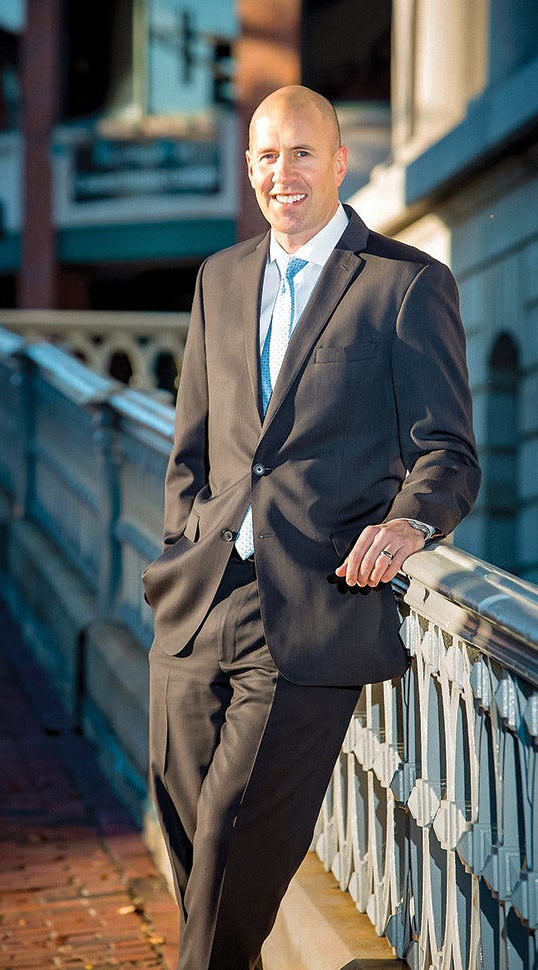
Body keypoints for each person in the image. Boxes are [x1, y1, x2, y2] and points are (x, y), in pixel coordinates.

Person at [142, 85, 480, 970]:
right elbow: (196, 443)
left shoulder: (405, 284)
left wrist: (412, 522)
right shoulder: (220, 277)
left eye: (300, 153)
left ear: (337, 162)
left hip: (311, 609)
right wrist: (179, 547)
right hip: (199, 600)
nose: (281, 172)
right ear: (248, 166)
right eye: (264, 154)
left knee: (228, 842)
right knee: (191, 845)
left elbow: (447, 449)